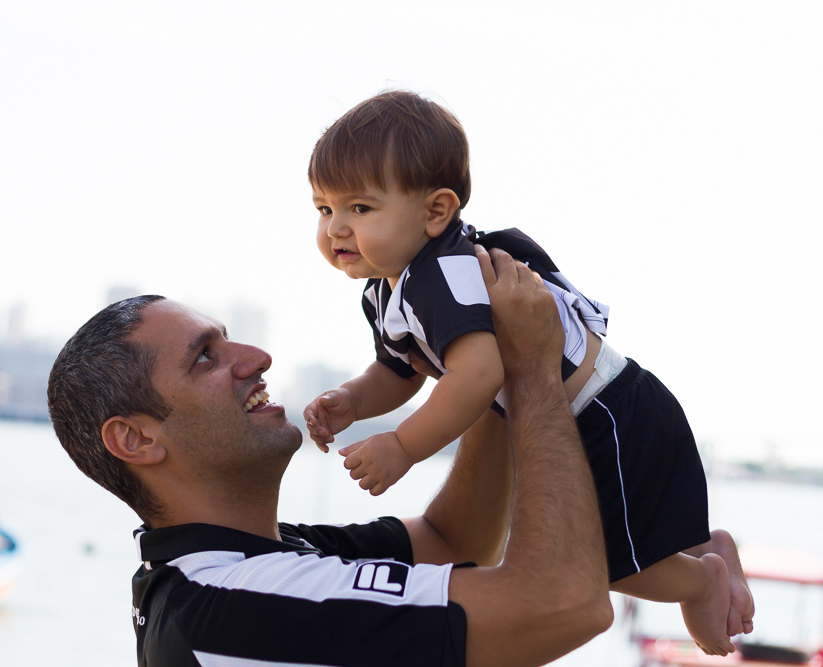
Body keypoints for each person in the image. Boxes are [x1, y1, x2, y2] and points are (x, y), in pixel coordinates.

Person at [303, 90, 754, 656]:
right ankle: (705, 548)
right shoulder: (387, 290)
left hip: (609, 410)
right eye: (324, 209)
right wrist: (352, 400)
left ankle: (703, 576)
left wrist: (403, 445)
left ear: (436, 212)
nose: (336, 229)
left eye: (359, 209)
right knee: (604, 548)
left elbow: (477, 372)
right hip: (575, 417)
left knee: (598, 564)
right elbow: (400, 370)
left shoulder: (442, 274)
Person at [47, 247, 613, 667]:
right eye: (205, 357)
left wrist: (482, 356)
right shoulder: (233, 608)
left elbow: (454, 542)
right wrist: (534, 368)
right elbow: (564, 603)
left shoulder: (250, 566)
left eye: (228, 339)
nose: (257, 357)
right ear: (136, 440)